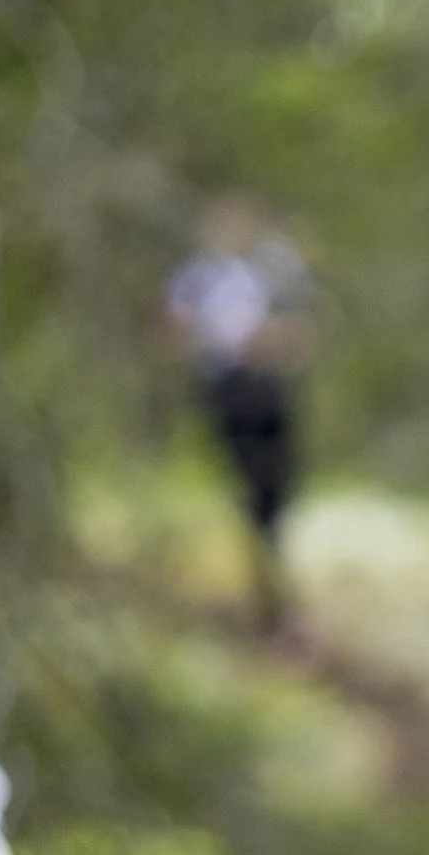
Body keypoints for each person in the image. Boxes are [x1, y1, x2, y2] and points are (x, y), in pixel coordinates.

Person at [164, 197, 315, 629]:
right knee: (249, 487)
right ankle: (265, 586)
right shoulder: (195, 280)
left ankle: (274, 582)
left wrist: (276, 344)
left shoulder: (270, 275)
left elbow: (301, 335)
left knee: (278, 487)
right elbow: (173, 334)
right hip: (228, 391)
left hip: (269, 391)